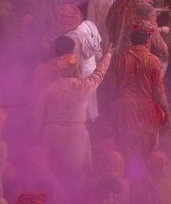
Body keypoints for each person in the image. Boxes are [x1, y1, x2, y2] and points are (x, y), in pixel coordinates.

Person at [35, 48, 113, 179]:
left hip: (52, 133)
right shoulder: (84, 86)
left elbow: (38, 115)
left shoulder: (48, 88)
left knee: (53, 172)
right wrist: (108, 55)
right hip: (77, 135)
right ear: (77, 70)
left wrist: (36, 135)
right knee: (75, 174)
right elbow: (99, 73)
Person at [105, 21, 171, 170]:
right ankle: (149, 183)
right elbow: (159, 91)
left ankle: (126, 184)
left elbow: (111, 88)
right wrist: (167, 112)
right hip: (147, 111)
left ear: (132, 38)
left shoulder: (119, 58)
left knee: (125, 153)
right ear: (148, 39)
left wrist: (113, 109)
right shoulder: (153, 61)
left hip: (125, 110)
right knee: (151, 153)